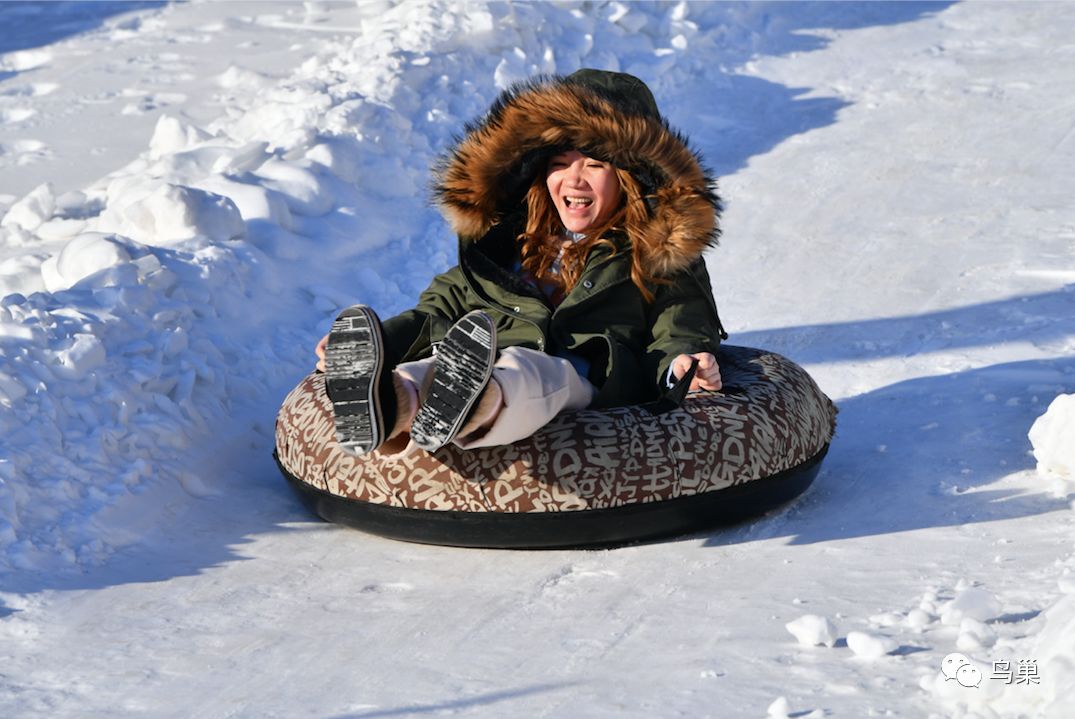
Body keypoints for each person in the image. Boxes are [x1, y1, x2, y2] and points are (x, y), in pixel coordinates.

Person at [314, 68, 727, 456]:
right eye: (560, 164)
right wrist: (381, 345)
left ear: (630, 178)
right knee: (435, 364)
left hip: (580, 379)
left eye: (595, 165)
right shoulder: (510, 242)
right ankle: (390, 407)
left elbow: (681, 324)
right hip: (483, 356)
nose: (574, 179)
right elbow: (437, 310)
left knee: (528, 372)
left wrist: (682, 364)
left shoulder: (658, 252)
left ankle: (474, 404)